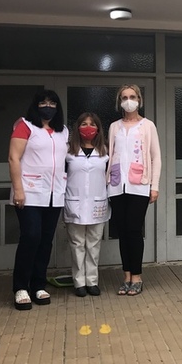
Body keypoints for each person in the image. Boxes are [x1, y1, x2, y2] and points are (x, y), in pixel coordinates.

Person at [8, 89, 69, 310]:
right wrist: (18, 189)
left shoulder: (63, 131)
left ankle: (38, 285)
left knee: (45, 240)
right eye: (43, 102)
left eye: (52, 103)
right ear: (36, 105)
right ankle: (21, 287)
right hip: (29, 193)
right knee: (30, 236)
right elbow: (14, 158)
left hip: (54, 194)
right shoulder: (25, 125)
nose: (48, 106)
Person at [106, 84, 161, 296]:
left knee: (134, 230)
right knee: (122, 232)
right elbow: (110, 155)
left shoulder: (148, 126)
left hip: (140, 186)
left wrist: (154, 186)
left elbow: (156, 157)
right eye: (124, 97)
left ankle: (137, 276)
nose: (128, 100)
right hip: (117, 186)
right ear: (119, 101)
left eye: (132, 96)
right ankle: (126, 275)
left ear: (139, 99)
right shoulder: (114, 127)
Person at [64, 112, 110, 297]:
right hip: (74, 203)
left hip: (98, 203)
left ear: (98, 129)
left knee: (93, 244)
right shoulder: (68, 152)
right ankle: (79, 282)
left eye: (92, 124)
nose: (88, 127)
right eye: (84, 124)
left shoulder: (105, 152)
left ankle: (92, 281)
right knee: (77, 244)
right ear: (77, 128)